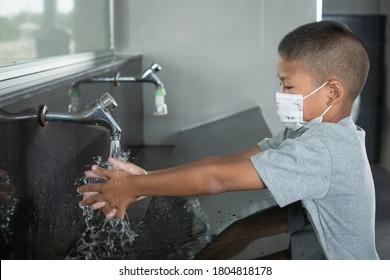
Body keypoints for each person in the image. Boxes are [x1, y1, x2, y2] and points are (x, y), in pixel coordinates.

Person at [78, 20, 379, 260]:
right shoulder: (310, 133)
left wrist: (135, 187)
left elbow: (218, 179)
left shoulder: (322, 149)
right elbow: (226, 163)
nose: (281, 94)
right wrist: (147, 178)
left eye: (288, 85)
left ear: (333, 92)